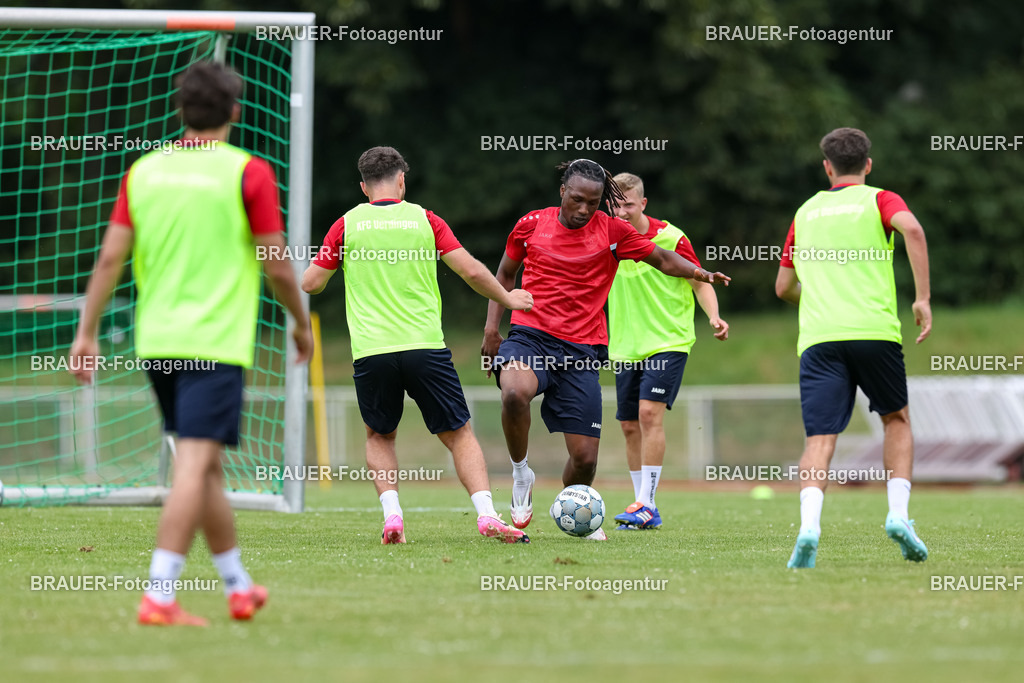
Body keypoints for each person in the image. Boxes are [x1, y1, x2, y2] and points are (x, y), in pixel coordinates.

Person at [69, 61, 314, 625]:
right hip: (214, 344)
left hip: (157, 343)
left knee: (202, 469)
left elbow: (110, 257)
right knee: (193, 467)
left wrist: (86, 331)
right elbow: (276, 262)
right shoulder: (247, 172)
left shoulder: (145, 170)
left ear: (180, 109)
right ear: (235, 111)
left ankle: (237, 585)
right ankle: (159, 596)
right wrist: (299, 322)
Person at [481, 159, 730, 541]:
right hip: (531, 336)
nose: (584, 210)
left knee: (584, 461)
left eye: (593, 203)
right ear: (562, 191)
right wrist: (491, 329)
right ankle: (521, 474)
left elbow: (662, 258)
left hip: (581, 349)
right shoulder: (531, 225)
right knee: (514, 392)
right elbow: (504, 275)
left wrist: (699, 273)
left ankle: (574, 509)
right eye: (577, 200)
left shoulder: (615, 232)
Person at [302, 146, 533, 545]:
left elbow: (311, 283)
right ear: (402, 180)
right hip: (425, 347)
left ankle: (393, 518)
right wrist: (509, 299)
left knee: (379, 436)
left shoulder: (347, 224)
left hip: (372, 352)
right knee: (459, 433)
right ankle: (486, 515)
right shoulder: (425, 219)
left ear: (363, 187)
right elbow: (472, 270)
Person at [775, 127, 932, 569]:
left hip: (821, 338)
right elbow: (914, 232)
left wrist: (824, 296)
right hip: (874, 332)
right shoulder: (880, 199)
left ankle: (809, 526)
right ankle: (898, 516)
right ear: (868, 164)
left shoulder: (805, 212)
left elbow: (784, 286)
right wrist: (922, 299)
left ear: (827, 167)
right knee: (895, 419)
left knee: (820, 438)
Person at [606, 173, 729, 531]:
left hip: (668, 341)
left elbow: (698, 278)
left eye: (628, 204)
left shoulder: (671, 237)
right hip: (625, 346)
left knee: (648, 416)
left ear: (643, 203)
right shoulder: (608, 239)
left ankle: (647, 502)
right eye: (615, 205)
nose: (621, 212)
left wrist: (714, 316)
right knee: (629, 426)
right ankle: (641, 505)